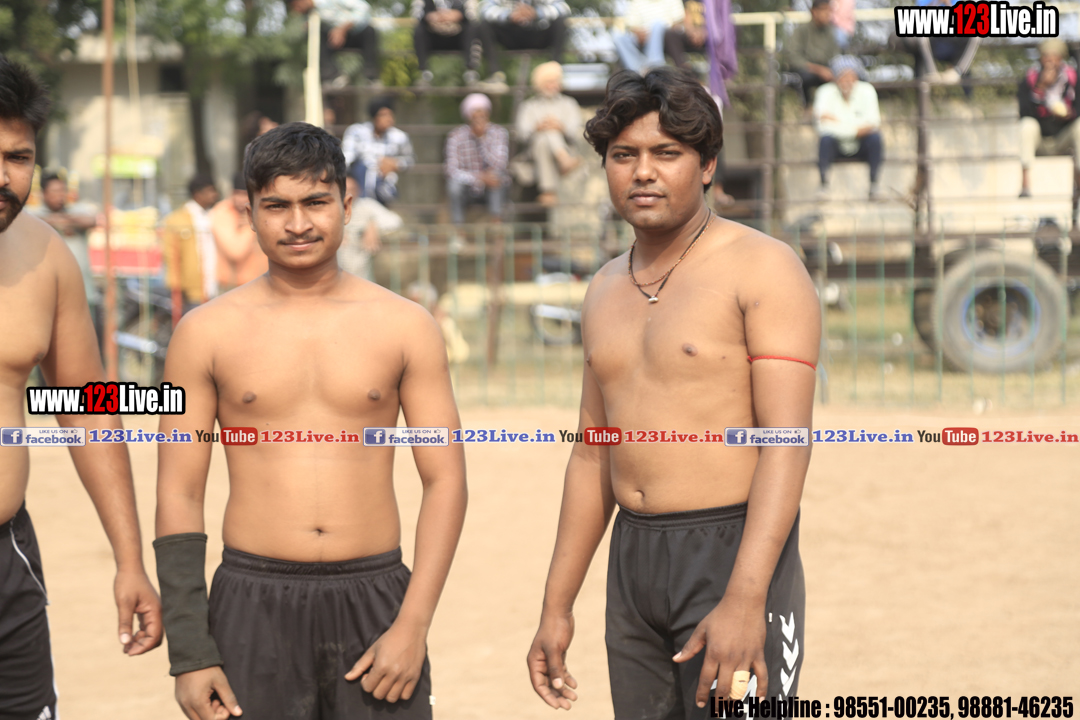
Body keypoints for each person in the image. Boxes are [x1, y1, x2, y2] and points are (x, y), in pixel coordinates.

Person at [526, 67, 819, 717]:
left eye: (667, 153)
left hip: (732, 552)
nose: (643, 173)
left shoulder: (763, 267)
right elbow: (592, 454)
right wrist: (556, 605)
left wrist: (746, 597)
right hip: (634, 564)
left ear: (707, 165)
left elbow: (786, 445)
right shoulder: (604, 287)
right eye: (623, 155)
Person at [154, 121, 467, 720]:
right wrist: (190, 650)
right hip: (252, 598)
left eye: (316, 202)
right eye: (276, 206)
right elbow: (179, 490)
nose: (298, 224)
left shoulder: (406, 326)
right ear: (249, 213)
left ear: (346, 205)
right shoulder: (203, 333)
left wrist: (413, 625)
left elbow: (445, 478)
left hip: (375, 596)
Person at [0, 55, 162, 719]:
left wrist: (130, 558)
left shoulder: (46, 259)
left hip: (6, 565)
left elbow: (90, 410)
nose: (2, 176)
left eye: (17, 157)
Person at [813, 55, 882, 201]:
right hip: (836, 145)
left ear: (857, 77)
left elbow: (874, 124)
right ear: (836, 78)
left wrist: (837, 122)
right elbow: (821, 127)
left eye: (851, 76)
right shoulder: (824, 92)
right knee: (825, 140)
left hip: (861, 144)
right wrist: (856, 129)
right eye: (843, 76)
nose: (847, 81)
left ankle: (874, 186)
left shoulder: (867, 91)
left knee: (875, 139)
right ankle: (823, 186)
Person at [514, 62, 582, 207]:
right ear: (540, 84)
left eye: (555, 81)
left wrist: (561, 128)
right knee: (544, 136)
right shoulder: (528, 106)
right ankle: (564, 159)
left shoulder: (569, 104)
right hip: (534, 153)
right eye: (549, 82)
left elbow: (576, 133)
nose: (552, 85)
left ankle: (548, 191)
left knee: (549, 134)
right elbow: (521, 134)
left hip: (567, 146)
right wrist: (536, 128)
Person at [1018, 39, 1080, 198]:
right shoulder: (1030, 79)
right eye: (1046, 56)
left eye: (1055, 56)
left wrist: (1069, 114)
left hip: (1064, 137)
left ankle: (1079, 185)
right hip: (1041, 139)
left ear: (1061, 58)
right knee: (1026, 125)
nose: (1050, 61)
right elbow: (1024, 113)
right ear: (1041, 58)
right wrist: (1040, 88)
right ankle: (1025, 185)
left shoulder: (1073, 78)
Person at [32, 169, 99, 308]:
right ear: (44, 193)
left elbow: (92, 220)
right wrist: (55, 221)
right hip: (47, 293)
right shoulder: (34, 214)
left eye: (62, 190)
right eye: (55, 191)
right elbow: (26, 220)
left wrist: (64, 220)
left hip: (81, 291)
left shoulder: (77, 211)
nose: (60, 195)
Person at [475, 0, 570, 89]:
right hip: (511, 36)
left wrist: (536, 13)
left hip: (538, 34)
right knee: (483, 25)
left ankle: (555, 72)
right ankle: (496, 75)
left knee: (560, 22)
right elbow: (484, 9)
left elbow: (563, 8)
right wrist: (509, 15)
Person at [445, 93, 509, 224]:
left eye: (482, 114)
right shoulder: (456, 136)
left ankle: (497, 225)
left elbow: (500, 164)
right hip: (468, 187)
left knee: (497, 177)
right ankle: (458, 228)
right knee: (454, 186)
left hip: (491, 186)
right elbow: (451, 170)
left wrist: (482, 139)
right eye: (475, 114)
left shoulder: (499, 133)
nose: (479, 118)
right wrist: (478, 178)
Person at [341, 97, 416, 207]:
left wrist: (395, 163)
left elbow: (410, 160)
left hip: (384, 188)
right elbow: (346, 159)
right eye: (383, 115)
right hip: (359, 185)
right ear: (374, 117)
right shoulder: (357, 132)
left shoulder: (399, 137)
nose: (388, 119)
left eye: (390, 115)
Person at [289, 0, 381, 87]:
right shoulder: (310, 14)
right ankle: (334, 76)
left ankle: (371, 76)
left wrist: (342, 29)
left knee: (369, 30)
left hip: (356, 34)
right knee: (312, 34)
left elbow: (363, 8)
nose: (297, 11)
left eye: (297, 6)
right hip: (334, 40)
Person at [162, 173, 220, 306]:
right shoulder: (176, 220)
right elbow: (170, 256)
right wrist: (176, 287)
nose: (214, 195)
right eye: (210, 191)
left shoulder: (215, 215)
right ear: (198, 194)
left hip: (215, 288)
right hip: (191, 292)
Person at [209, 173, 269, 292]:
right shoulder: (222, 212)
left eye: (245, 194)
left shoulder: (262, 209)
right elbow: (236, 251)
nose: (241, 199)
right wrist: (251, 225)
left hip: (263, 283)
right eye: (237, 194)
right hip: (231, 286)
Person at [338, 175, 402, 281]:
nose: (348, 193)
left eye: (352, 189)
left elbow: (395, 222)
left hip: (362, 274)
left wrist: (372, 226)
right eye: (345, 189)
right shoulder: (331, 207)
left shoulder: (366, 206)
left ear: (358, 190)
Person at [781, 0, 839, 106]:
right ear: (814, 12)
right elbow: (794, 58)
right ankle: (807, 107)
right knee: (805, 78)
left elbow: (835, 56)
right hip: (805, 72)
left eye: (829, 10)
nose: (828, 14)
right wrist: (818, 70)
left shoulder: (830, 32)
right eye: (824, 10)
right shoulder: (801, 31)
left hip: (827, 72)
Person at [411, 0, 481, 87]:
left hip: (458, 38)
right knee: (418, 30)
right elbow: (416, 15)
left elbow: (473, 16)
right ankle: (424, 75)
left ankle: (471, 74)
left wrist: (458, 14)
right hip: (433, 38)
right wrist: (432, 16)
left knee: (474, 28)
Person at [612, 0, 686, 75]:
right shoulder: (637, 2)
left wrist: (653, 33)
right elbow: (632, 25)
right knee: (619, 38)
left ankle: (655, 65)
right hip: (642, 34)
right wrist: (639, 33)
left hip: (664, 34)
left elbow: (677, 22)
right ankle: (638, 70)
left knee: (657, 24)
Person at [663, 0, 708, 72]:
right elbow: (685, 17)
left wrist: (703, 33)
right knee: (670, 35)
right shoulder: (685, 1)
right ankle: (682, 69)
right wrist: (692, 32)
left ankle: (721, 68)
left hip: (709, 34)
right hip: (690, 35)